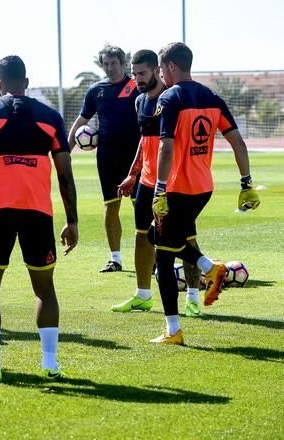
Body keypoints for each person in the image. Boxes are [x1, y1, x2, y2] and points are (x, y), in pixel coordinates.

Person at [0, 56, 78, 381]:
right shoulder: (50, 117)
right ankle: (50, 364)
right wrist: (72, 220)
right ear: (25, 82)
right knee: (45, 290)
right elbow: (65, 172)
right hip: (38, 213)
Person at [149, 42, 260, 344]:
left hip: (177, 191)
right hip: (203, 189)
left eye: (161, 69)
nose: (161, 75)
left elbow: (166, 145)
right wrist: (246, 182)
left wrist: (159, 190)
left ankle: (174, 330)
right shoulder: (213, 97)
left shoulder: (170, 98)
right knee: (158, 237)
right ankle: (210, 268)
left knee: (162, 257)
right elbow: (238, 141)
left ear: (171, 66)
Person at [114, 49, 203, 317]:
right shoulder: (139, 101)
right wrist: (133, 173)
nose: (137, 78)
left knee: (186, 237)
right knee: (142, 235)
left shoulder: (174, 98)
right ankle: (142, 295)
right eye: (134, 73)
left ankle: (193, 297)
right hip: (146, 180)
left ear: (156, 70)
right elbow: (145, 140)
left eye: (142, 73)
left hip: (173, 183)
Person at [68, 44, 140, 273]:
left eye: (113, 63)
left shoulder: (137, 87)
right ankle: (115, 258)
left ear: (122, 62)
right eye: (105, 64)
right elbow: (80, 123)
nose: (109, 68)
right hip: (107, 158)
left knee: (143, 208)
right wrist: (65, 152)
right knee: (111, 207)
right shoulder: (95, 91)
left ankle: (153, 258)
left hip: (136, 158)